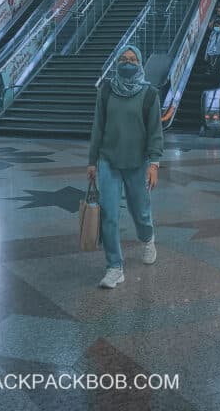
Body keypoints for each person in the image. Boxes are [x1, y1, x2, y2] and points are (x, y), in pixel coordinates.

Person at [87, 45, 162, 290]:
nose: (127, 63)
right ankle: (114, 267)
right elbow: (98, 126)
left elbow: (155, 132)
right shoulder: (107, 89)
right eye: (123, 59)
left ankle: (148, 237)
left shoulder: (149, 93)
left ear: (140, 64)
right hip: (109, 160)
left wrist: (154, 163)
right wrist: (92, 161)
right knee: (109, 213)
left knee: (140, 211)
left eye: (132, 59)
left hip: (138, 162)